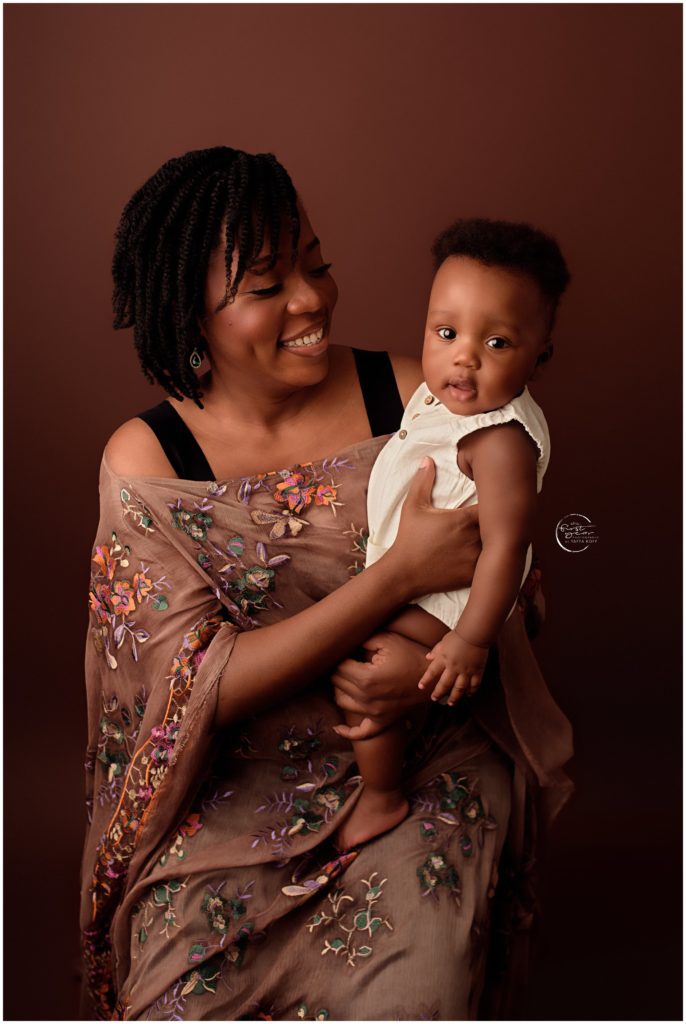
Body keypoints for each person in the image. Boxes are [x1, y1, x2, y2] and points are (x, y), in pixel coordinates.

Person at [80, 146, 573, 1021]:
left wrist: (420, 679)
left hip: (422, 750)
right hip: (238, 792)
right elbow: (191, 686)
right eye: (267, 286)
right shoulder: (150, 462)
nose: (311, 300)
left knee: (409, 996)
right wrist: (396, 579)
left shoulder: (421, 397)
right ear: (189, 310)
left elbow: (528, 564)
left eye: (316, 263)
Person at [333, 218, 569, 852]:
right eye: (446, 332)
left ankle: (382, 796)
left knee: (367, 667)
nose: (463, 356)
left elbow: (506, 546)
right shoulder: (441, 400)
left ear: (538, 356)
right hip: (417, 577)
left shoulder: (497, 438)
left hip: (448, 603)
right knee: (359, 655)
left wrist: (470, 640)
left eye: (496, 342)